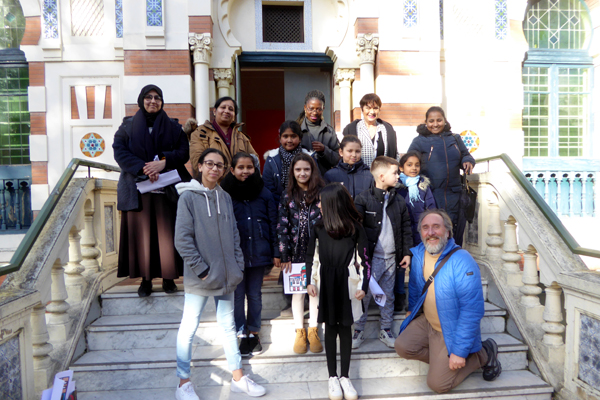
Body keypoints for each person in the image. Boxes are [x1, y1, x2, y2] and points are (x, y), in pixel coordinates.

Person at [174, 148, 266, 400]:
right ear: (200, 166)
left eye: (219, 165)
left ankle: (238, 377)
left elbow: (234, 234)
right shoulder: (188, 197)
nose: (214, 169)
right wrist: (202, 270)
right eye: (210, 164)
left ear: (224, 170)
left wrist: (237, 265)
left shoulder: (224, 196)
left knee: (228, 326)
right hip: (200, 278)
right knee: (189, 328)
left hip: (226, 277)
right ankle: (183, 383)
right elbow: (182, 240)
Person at [395, 209, 501, 394]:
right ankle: (442, 361)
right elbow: (416, 287)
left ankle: (482, 355)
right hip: (429, 323)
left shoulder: (462, 260)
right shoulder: (419, 254)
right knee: (402, 346)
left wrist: (459, 352)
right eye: (425, 228)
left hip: (450, 328)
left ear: (448, 231)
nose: (431, 232)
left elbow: (472, 310)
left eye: (436, 227)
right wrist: (412, 310)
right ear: (420, 232)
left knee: (438, 384)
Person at [113, 84, 191, 297]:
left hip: (167, 192)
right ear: (141, 100)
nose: (153, 101)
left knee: (167, 236)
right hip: (138, 190)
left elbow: (184, 151)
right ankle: (145, 280)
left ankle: (168, 278)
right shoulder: (127, 126)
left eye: (157, 97)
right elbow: (119, 151)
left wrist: (164, 162)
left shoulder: (174, 127)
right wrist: (144, 168)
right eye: (149, 97)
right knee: (143, 236)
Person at [306, 183, 371, 400]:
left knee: (345, 328)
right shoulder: (318, 227)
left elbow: (365, 260)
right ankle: (332, 377)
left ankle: (345, 376)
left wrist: (363, 286)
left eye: (321, 202)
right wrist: (309, 281)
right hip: (325, 282)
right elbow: (311, 256)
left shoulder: (355, 228)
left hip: (347, 282)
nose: (319, 205)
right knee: (330, 327)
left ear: (333, 204)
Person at [221, 152, 279, 357]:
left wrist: (276, 251)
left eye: (250, 167)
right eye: (241, 167)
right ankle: (240, 331)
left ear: (255, 169)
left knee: (254, 294)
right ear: (232, 170)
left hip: (258, 252)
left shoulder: (264, 193)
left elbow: (273, 223)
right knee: (237, 295)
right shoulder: (224, 193)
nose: (245, 171)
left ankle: (253, 331)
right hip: (234, 255)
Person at [352, 156, 413, 349]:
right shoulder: (363, 199)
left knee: (388, 295)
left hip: (392, 258)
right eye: (395, 173)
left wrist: (406, 253)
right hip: (370, 259)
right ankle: (358, 330)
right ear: (381, 176)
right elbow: (356, 229)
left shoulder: (399, 200)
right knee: (364, 294)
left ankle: (385, 329)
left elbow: (406, 228)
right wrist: (357, 257)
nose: (398, 176)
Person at [277, 153, 324, 354]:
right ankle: (300, 331)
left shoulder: (322, 193)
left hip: (317, 253)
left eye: (306, 169)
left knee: (315, 291)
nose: (302, 173)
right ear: (292, 172)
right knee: (298, 293)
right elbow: (282, 226)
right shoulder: (287, 195)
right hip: (295, 254)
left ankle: (313, 329)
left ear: (312, 171)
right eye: (298, 169)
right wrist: (284, 254)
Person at [407, 106, 475, 246]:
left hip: (454, 195)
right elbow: (409, 161)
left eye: (439, 120)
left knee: (454, 233)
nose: (435, 124)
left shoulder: (455, 138)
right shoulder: (419, 141)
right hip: (432, 195)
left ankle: (453, 259)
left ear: (444, 120)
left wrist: (467, 160)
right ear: (426, 122)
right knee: (435, 232)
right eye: (431, 121)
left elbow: (466, 154)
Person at [396, 150, 436, 311]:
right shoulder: (397, 186)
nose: (413, 168)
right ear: (401, 168)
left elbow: (431, 208)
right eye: (409, 165)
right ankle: (398, 298)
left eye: (417, 165)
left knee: (418, 268)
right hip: (401, 233)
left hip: (420, 233)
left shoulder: (424, 186)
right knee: (400, 266)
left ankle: (418, 302)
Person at [188, 96, 258, 178]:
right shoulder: (200, 133)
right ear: (214, 111)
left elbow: (254, 162)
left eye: (231, 109)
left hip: (240, 184)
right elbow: (197, 162)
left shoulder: (242, 137)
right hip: (213, 183)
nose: (227, 111)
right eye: (223, 107)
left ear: (234, 115)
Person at [263, 120, 314, 205]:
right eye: (285, 136)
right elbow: (268, 187)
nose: (289, 140)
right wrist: (282, 205)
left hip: (306, 205)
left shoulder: (310, 157)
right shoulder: (272, 158)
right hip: (277, 205)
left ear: (300, 138)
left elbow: (315, 182)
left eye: (293, 136)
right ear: (280, 138)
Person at [342, 93, 398, 167]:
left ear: (379, 110)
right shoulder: (352, 129)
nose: (372, 112)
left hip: (382, 173)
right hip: (358, 173)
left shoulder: (387, 130)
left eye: (375, 108)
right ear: (362, 109)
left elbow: (395, 155)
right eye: (368, 108)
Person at [297, 90, 340, 176]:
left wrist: (324, 150)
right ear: (305, 108)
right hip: (301, 178)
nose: (314, 112)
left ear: (323, 109)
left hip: (323, 179)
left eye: (318, 109)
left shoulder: (329, 131)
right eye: (311, 108)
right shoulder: (297, 130)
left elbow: (338, 158)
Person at [323, 135, 374, 199]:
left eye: (357, 151)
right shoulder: (330, 175)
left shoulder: (369, 175)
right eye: (350, 151)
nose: (354, 155)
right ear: (341, 152)